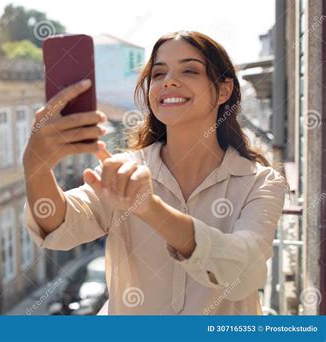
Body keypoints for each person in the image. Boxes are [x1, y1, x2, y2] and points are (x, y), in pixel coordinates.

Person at [22, 31, 288, 315]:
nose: (169, 81)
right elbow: (59, 226)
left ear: (224, 90)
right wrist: (36, 167)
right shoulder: (121, 170)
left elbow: (243, 273)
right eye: (159, 74)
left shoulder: (260, 183)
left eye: (189, 70)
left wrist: (149, 208)